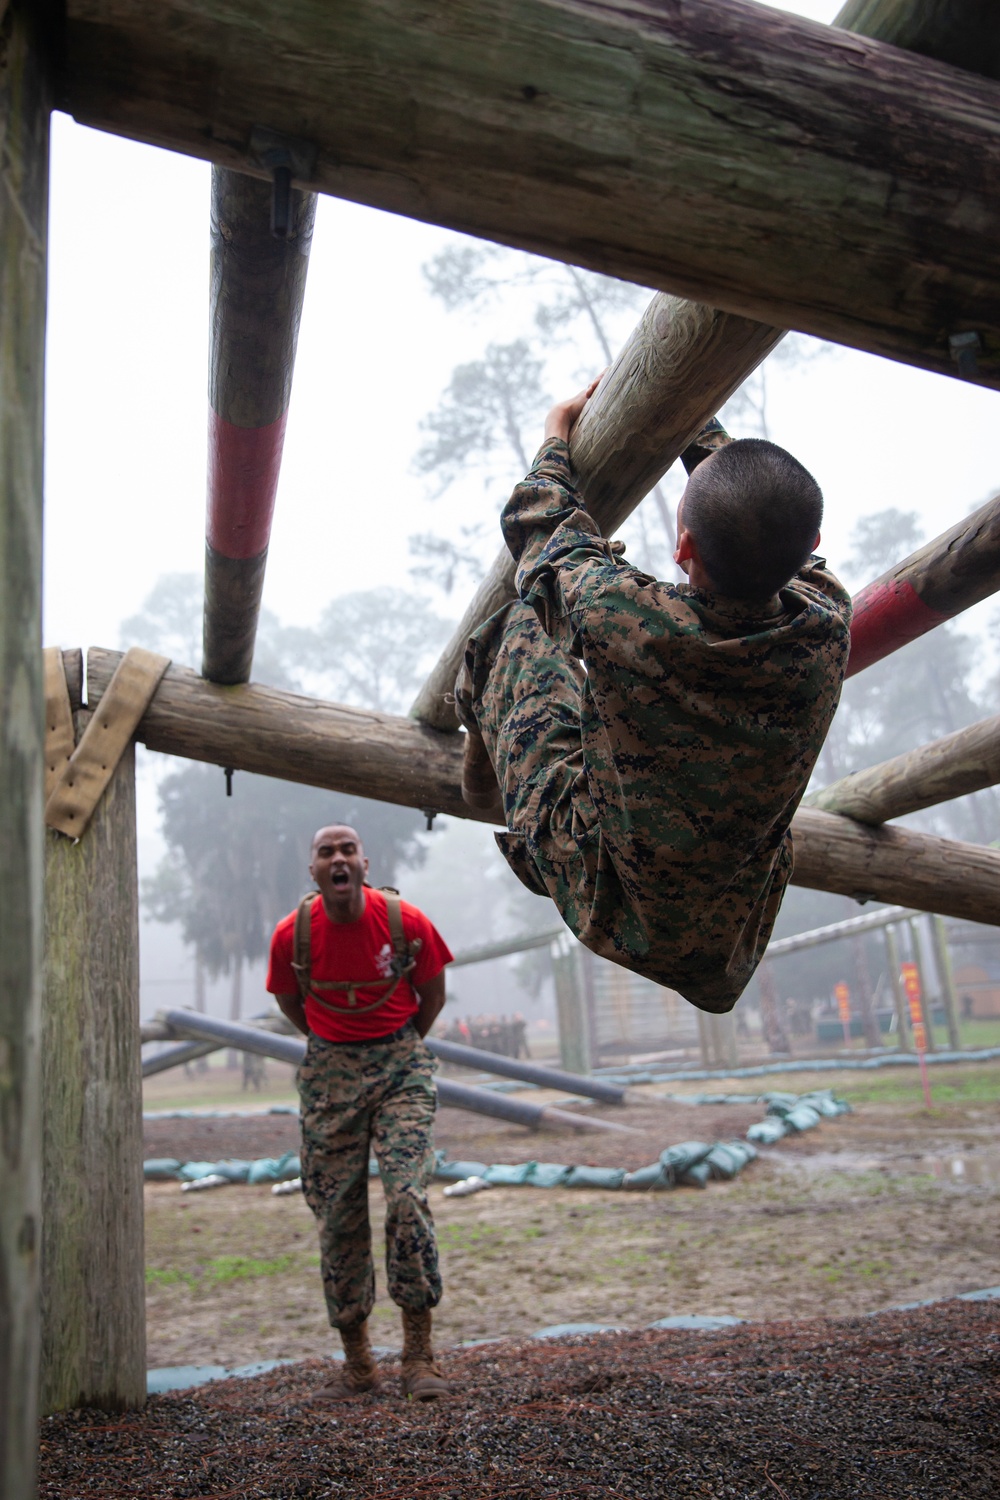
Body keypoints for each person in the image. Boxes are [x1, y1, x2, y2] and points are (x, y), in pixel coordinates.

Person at [455, 382, 852, 1015]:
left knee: (506, 632)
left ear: (684, 547)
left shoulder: (629, 619)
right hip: (728, 935)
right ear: (811, 547)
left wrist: (557, 432)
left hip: (605, 890)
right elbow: (765, 520)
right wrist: (693, 415)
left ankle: (490, 777)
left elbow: (539, 523)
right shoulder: (828, 625)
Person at [267, 824, 453, 1402]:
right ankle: (358, 1365)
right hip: (329, 1077)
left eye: (348, 850)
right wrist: (336, 1043)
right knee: (338, 1213)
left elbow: (434, 995)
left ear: (365, 865)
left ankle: (418, 1355)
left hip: (401, 1069)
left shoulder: (408, 924)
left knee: (406, 1197)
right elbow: (290, 1002)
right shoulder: (291, 937)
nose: (338, 859)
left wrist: (394, 1046)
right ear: (314, 870)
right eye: (326, 852)